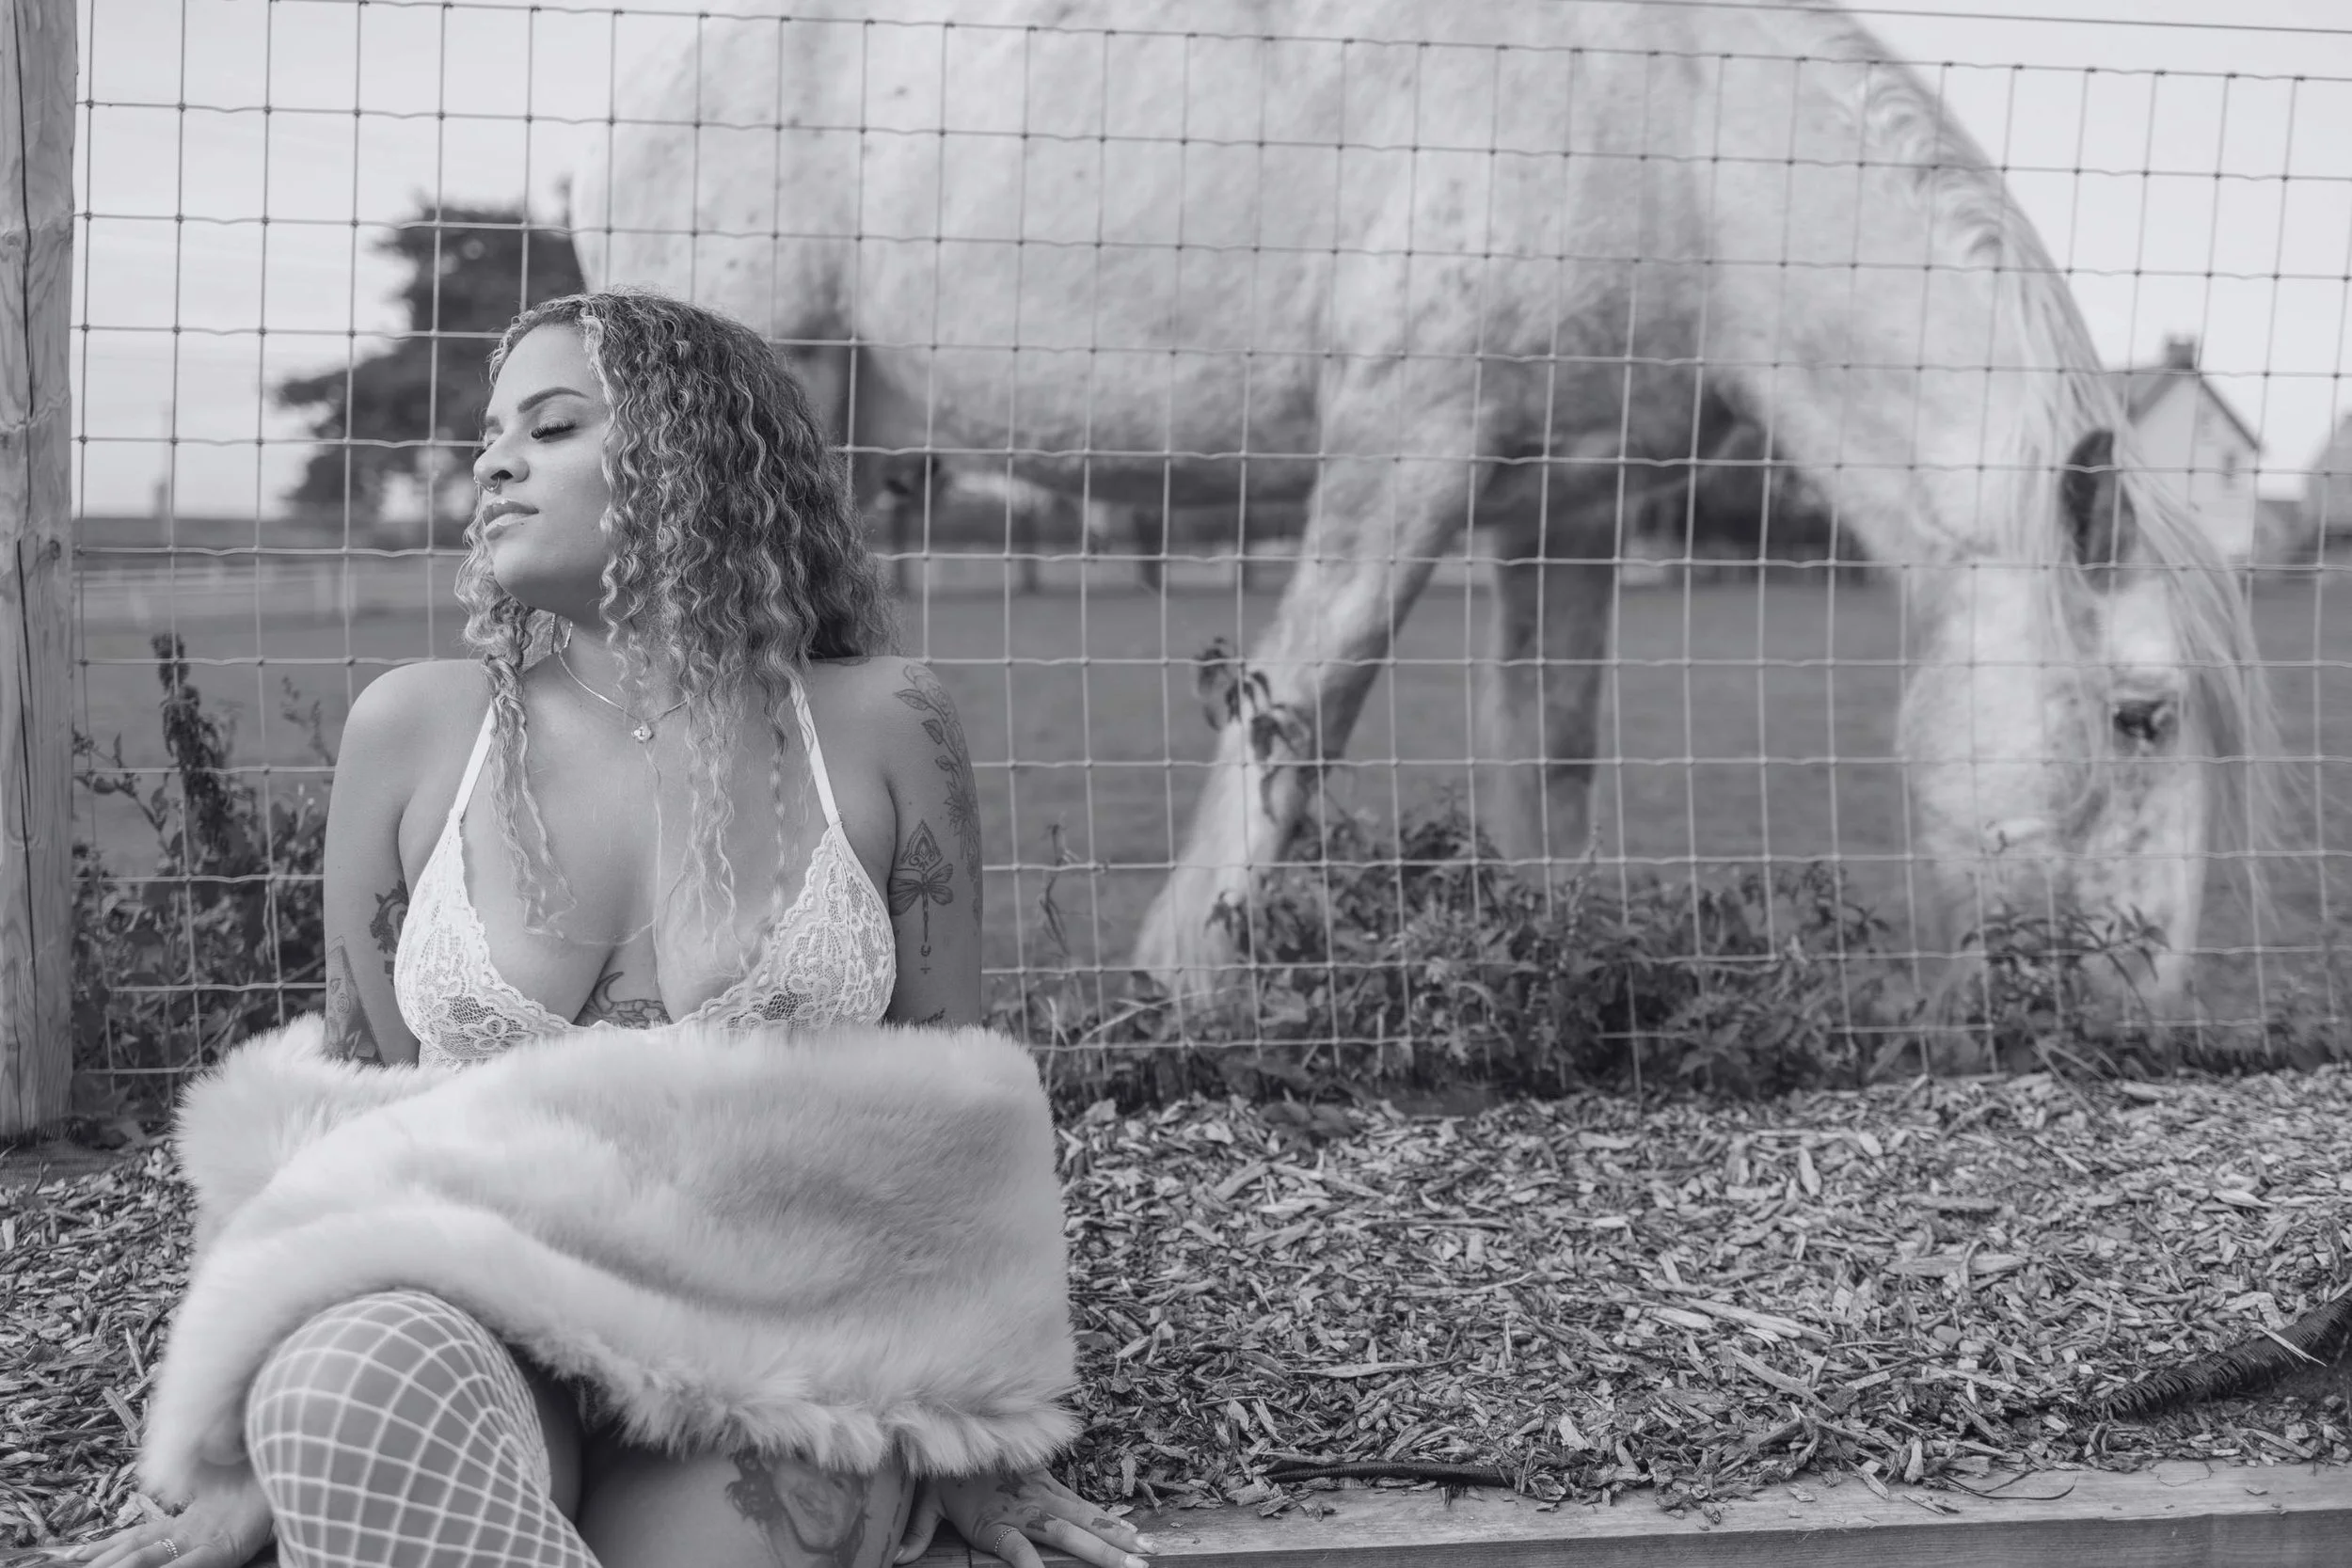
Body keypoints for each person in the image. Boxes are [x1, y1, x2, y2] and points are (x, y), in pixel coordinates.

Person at [56, 291, 1152, 1568]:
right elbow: (345, 1114)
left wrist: (985, 1433)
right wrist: (261, 1433)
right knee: (338, 1398)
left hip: (776, 1340)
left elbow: (954, 1124)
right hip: (469, 1308)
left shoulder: (882, 721)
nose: (494, 459)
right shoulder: (411, 731)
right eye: (492, 433)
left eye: (555, 424)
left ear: (694, 451)